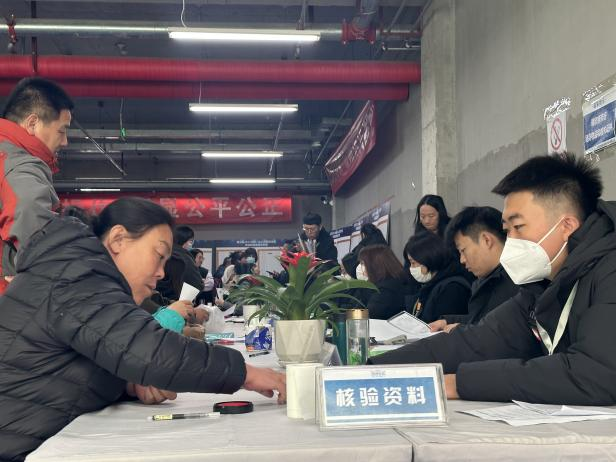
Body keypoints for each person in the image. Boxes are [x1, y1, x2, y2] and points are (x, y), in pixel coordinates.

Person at [0, 197, 285, 461]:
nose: (161, 272)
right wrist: (246, 374)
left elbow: (65, 368)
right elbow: (148, 350)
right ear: (118, 239)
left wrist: (127, 385)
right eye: (158, 255)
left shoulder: (76, 273)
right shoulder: (76, 277)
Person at [370, 153, 616, 406]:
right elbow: (476, 342)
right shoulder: (540, 288)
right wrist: (372, 369)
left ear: (567, 226)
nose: (511, 241)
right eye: (507, 231)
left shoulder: (609, 270)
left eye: (518, 227)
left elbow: (595, 373)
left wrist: (460, 383)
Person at [0, 77, 73, 292]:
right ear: (32, 123)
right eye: (62, 130)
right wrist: (45, 281)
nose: (65, 141)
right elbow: (29, 206)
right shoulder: (19, 164)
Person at [429, 206, 518, 333]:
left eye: (463, 250)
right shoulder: (490, 278)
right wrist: (447, 321)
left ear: (486, 240)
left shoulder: (516, 281)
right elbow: (482, 319)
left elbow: (500, 333)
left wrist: (463, 331)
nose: (462, 260)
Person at [404, 232, 471, 323]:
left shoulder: (452, 288)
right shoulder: (429, 285)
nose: (411, 268)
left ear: (428, 259)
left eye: (413, 263)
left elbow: (444, 326)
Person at [357, 244, 414, 319]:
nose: (361, 267)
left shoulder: (386, 289)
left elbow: (369, 315)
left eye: (363, 263)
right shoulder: (391, 281)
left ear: (374, 264)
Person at [156, 225, 204, 299]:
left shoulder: (161, 254)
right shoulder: (184, 258)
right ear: (186, 241)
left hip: (157, 299)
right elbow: (197, 284)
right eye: (191, 241)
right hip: (177, 300)